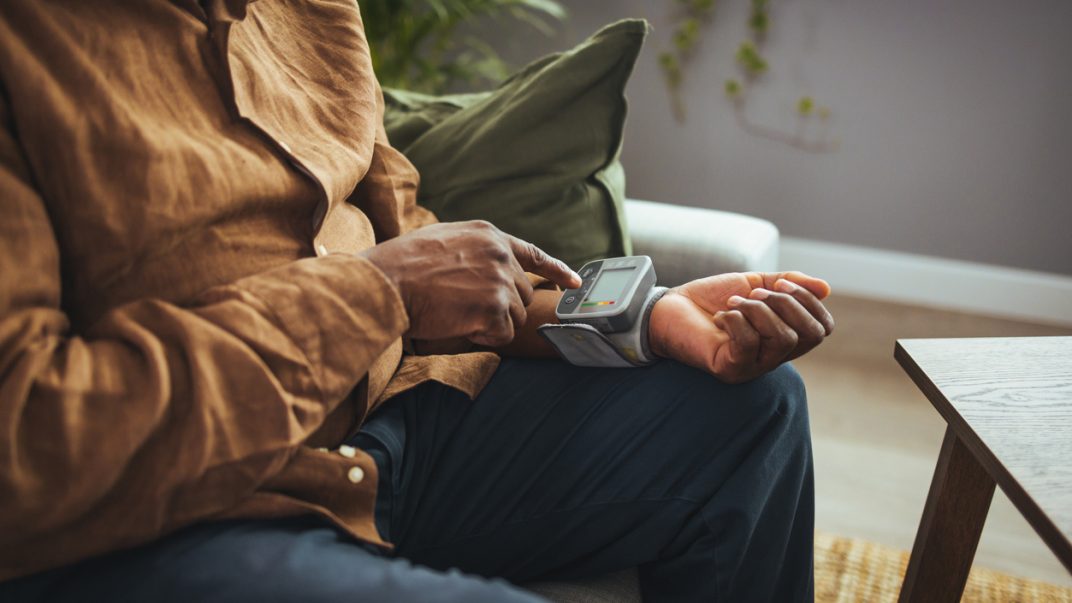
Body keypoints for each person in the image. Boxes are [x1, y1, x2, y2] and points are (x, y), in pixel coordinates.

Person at [0, 1, 833, 601]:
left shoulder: (312, 13)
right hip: (177, 513)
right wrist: (379, 292)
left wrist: (642, 320)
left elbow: (421, 256)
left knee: (755, 408)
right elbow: (26, 443)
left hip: (401, 423)